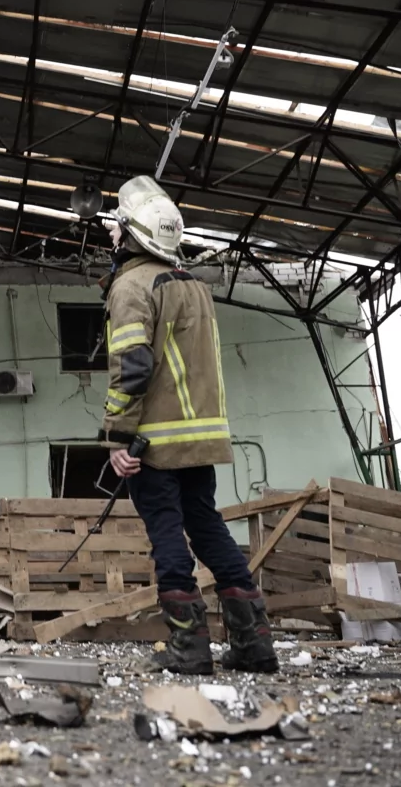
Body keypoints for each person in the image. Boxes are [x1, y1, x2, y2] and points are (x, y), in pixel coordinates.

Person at [98, 175, 278, 676]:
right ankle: (254, 643)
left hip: (154, 441)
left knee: (168, 536)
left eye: (117, 229)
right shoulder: (195, 286)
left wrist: (117, 435)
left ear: (133, 234)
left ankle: (189, 647)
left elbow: (131, 367)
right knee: (208, 527)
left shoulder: (131, 286)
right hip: (202, 439)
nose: (113, 236)